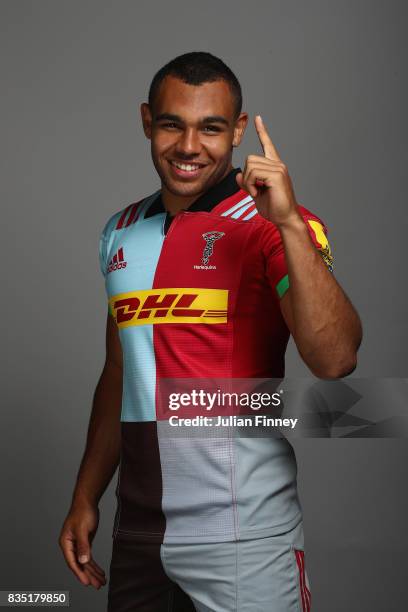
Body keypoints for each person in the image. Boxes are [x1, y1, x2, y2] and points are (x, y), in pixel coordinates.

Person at [59, 51, 362, 611]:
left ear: (239, 131)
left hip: (245, 537)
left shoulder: (275, 226)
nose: (190, 147)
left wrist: (291, 224)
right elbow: (121, 372)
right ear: (148, 120)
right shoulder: (120, 231)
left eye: (212, 128)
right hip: (139, 535)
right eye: (173, 124)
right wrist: (85, 497)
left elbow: (336, 360)